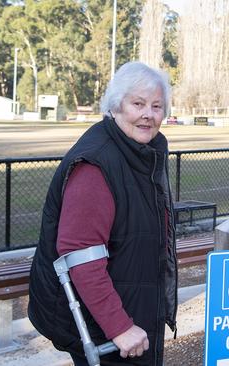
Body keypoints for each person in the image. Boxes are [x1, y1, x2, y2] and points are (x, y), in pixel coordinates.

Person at [28, 61, 177, 366]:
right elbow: (81, 257)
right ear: (116, 105)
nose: (148, 114)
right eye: (138, 104)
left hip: (131, 303)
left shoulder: (140, 152)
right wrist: (119, 326)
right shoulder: (96, 165)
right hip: (101, 323)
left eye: (157, 106)